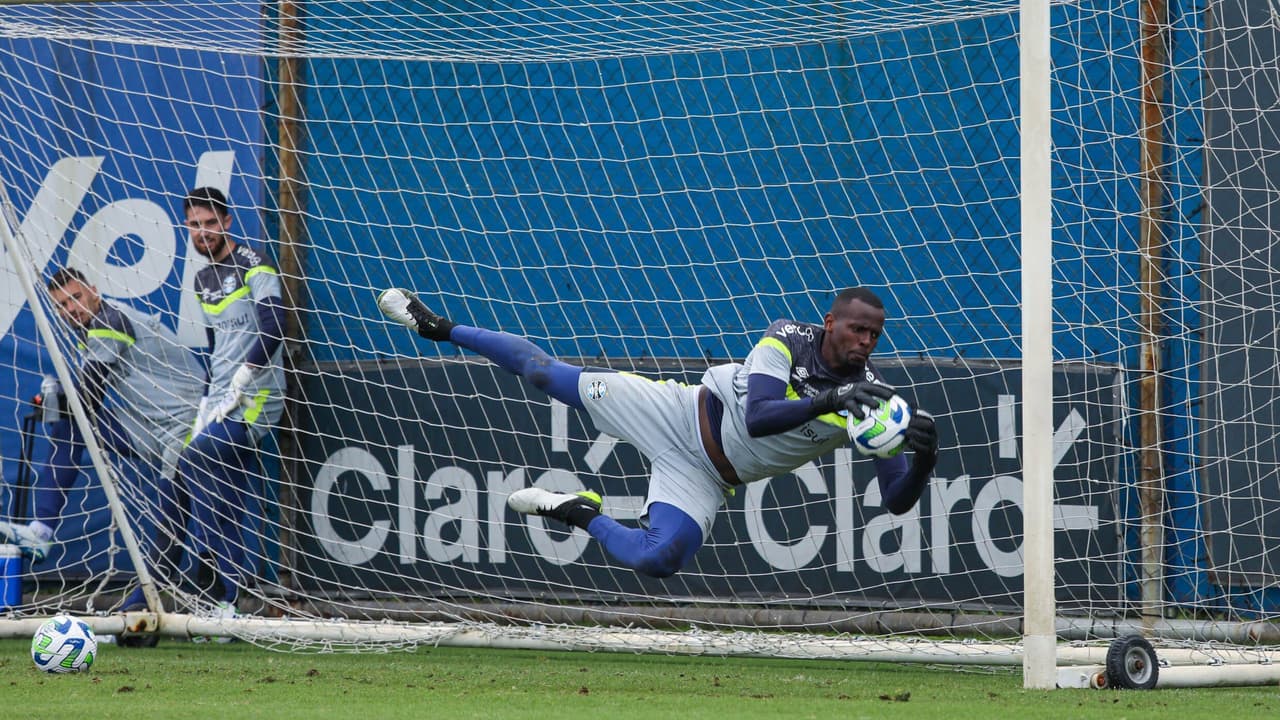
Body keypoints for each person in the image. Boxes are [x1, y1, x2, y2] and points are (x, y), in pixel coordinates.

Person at [377, 286, 939, 578]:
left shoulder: (874, 403)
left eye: (875, 335)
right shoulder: (786, 339)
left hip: (708, 473)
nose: (865, 342)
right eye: (856, 330)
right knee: (544, 374)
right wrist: (831, 399)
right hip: (676, 411)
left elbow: (893, 502)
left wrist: (923, 459)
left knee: (658, 558)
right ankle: (440, 326)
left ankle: (577, 511)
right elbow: (757, 416)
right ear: (829, 324)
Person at [0, 268, 204, 608]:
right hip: (148, 428)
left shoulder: (110, 321)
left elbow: (90, 396)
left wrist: (57, 397)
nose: (71, 309)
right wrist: (60, 399)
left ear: (94, 290)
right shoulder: (92, 331)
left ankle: (184, 605)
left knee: (175, 521)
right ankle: (42, 531)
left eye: (76, 298)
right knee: (71, 423)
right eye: (62, 305)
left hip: (186, 430)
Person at [178, 186, 285, 615]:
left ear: (227, 221)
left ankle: (205, 567)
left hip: (258, 393)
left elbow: (276, 324)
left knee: (201, 456)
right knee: (226, 490)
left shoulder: (253, 264)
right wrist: (208, 398)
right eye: (193, 225)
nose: (202, 232)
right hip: (221, 398)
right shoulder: (202, 278)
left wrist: (246, 373)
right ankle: (228, 596)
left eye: (209, 223)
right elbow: (213, 344)